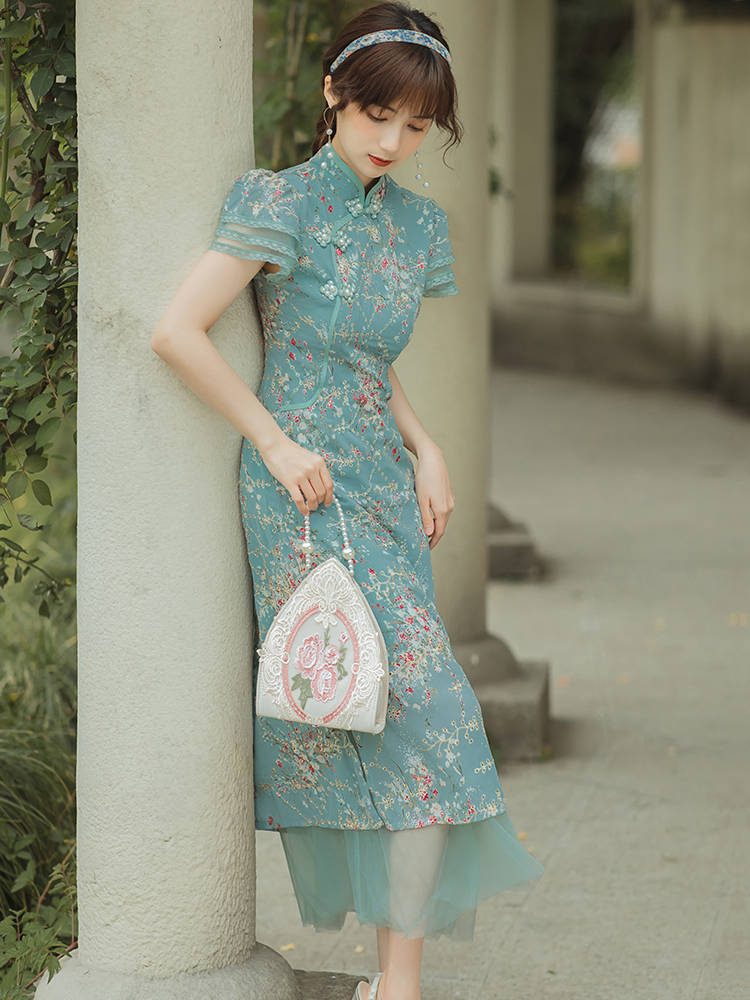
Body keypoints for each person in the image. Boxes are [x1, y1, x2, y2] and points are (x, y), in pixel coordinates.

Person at [150, 3, 545, 998]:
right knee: (411, 709)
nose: (392, 140)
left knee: (405, 716)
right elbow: (179, 332)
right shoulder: (277, 201)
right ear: (334, 93)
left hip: (383, 487)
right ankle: (398, 985)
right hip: (303, 494)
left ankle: (394, 983)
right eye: (378, 113)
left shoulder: (419, 226)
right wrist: (274, 440)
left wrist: (428, 445)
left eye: (416, 126)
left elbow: (367, 358)